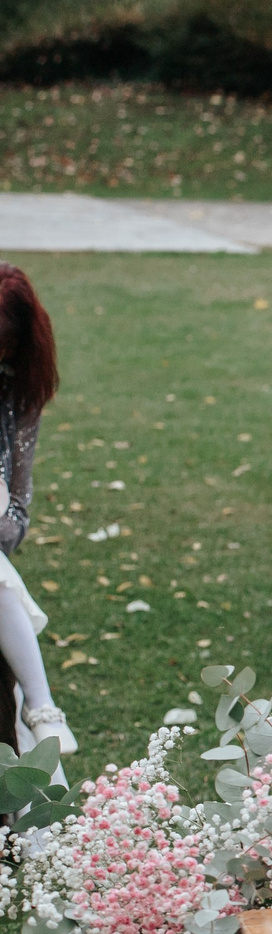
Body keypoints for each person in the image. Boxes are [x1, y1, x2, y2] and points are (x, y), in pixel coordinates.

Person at [0, 264, 71, 757]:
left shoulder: (15, 395)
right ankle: (42, 706)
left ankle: (39, 711)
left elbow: (17, 516)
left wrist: (1, 511)